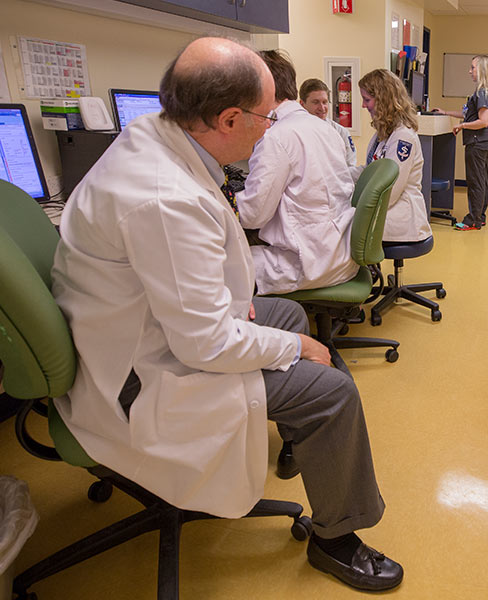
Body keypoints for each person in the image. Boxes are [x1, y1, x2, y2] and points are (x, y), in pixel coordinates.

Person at [50, 37, 403, 592]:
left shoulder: (156, 136)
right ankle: (337, 539)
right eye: (266, 116)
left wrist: (279, 335)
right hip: (140, 381)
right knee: (331, 391)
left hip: (138, 332)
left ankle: (302, 439)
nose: (271, 127)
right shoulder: (164, 197)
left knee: (283, 313)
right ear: (229, 117)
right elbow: (205, 346)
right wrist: (296, 351)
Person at [237, 50, 359, 296]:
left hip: (309, 262)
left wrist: (220, 203)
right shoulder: (326, 129)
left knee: (217, 265)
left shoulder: (277, 137)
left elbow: (253, 216)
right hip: (342, 252)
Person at [353, 68, 432, 243]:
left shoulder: (403, 137)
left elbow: (391, 191)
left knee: (345, 229)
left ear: (383, 100)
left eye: (367, 99)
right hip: (388, 211)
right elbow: (369, 171)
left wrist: (359, 207)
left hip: (402, 218)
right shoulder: (384, 134)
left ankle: (367, 270)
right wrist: (338, 174)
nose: (363, 105)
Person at [433, 55, 488, 231]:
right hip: (483, 140)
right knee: (481, 179)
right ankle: (480, 216)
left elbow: (483, 121)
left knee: (475, 181)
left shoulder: (482, 92)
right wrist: (446, 112)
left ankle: (473, 220)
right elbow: (468, 114)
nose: (470, 71)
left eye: (473, 68)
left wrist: (462, 126)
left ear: (482, 70)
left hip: (478, 141)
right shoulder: (483, 92)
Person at [298, 77, 358, 167]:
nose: (322, 108)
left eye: (324, 102)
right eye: (316, 102)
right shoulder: (295, 133)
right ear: (302, 104)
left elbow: (350, 167)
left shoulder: (341, 133)